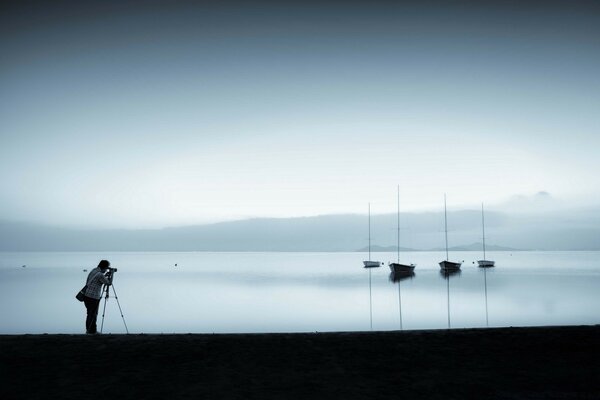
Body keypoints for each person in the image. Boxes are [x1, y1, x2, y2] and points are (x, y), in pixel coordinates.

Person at [83, 260, 111, 334]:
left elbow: (98, 279)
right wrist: (112, 275)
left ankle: (89, 330)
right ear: (104, 267)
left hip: (86, 296)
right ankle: (92, 331)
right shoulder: (100, 275)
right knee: (93, 314)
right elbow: (109, 283)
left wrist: (105, 276)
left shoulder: (94, 271)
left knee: (90, 314)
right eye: (107, 268)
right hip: (93, 297)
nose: (106, 270)